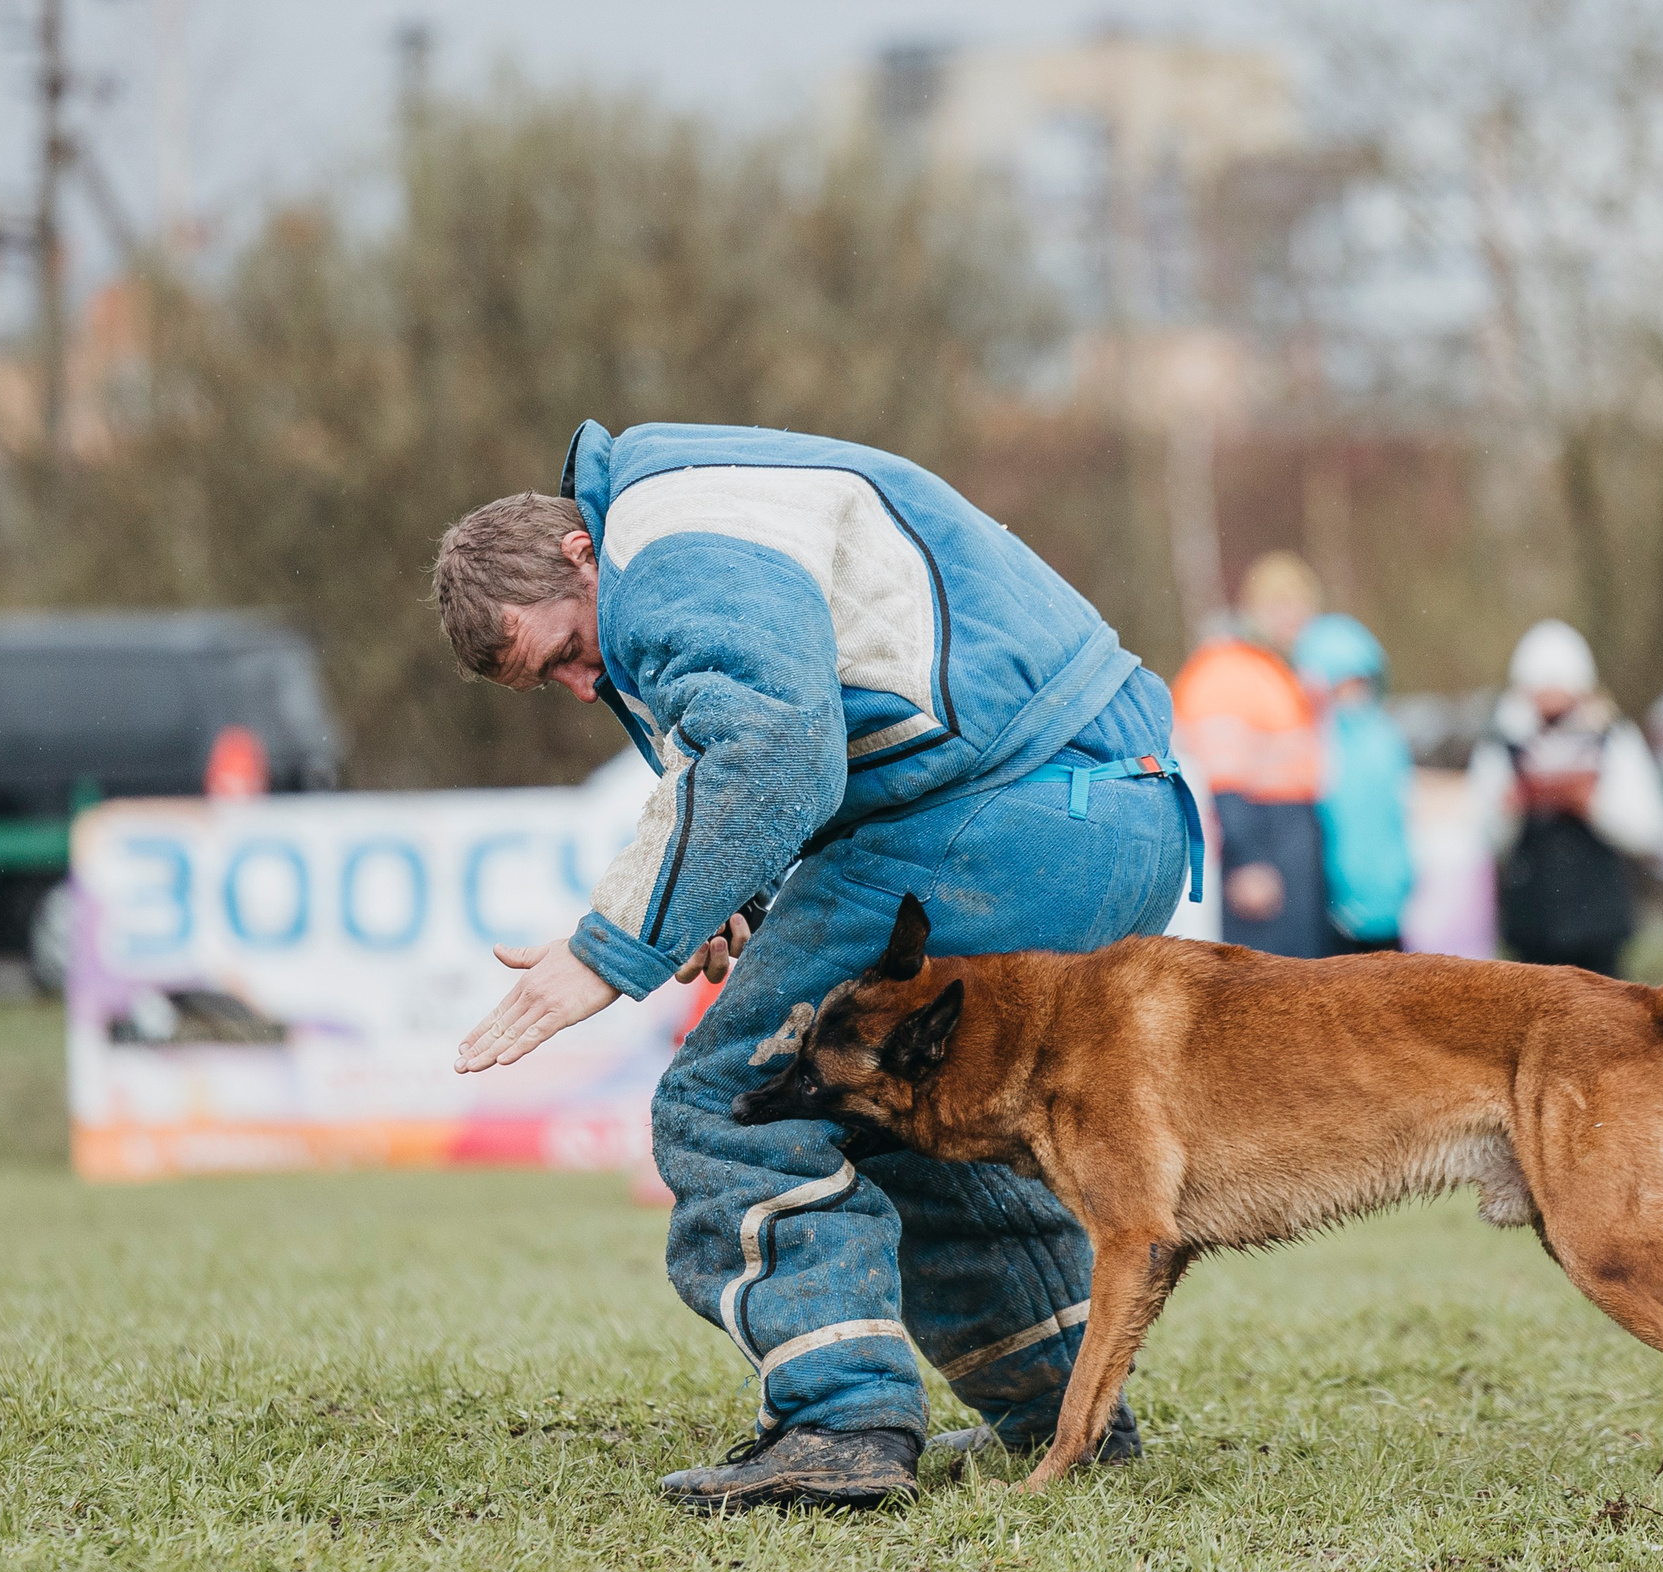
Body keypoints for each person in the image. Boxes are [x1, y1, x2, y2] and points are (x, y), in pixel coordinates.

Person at [431, 420, 1201, 1513]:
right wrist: (730, 893)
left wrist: (605, 952)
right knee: (894, 1107)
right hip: (1116, 807)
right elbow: (819, 712)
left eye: (561, 648)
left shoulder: (663, 535)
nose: (575, 681)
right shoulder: (708, 505)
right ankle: (1062, 1410)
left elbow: (777, 746)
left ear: (576, 554)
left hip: (1006, 816)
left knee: (737, 1105)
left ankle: (836, 1423)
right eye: (546, 680)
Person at [1465, 619, 1663, 978]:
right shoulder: (1501, 743)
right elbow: (1481, 834)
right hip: (1532, 925)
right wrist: (1511, 807)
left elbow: (1648, 826)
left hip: (1600, 924)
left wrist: (1590, 804)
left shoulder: (1613, 737)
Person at [1171, 553, 1331, 957]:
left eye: (1302, 607)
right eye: (1283, 607)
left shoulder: (1273, 669)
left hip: (1289, 837)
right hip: (1262, 840)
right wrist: (1248, 861)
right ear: (1255, 609)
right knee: (1266, 990)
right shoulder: (1228, 670)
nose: (1296, 620)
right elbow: (1219, 778)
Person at [1291, 614, 1415, 953]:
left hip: (1387, 901)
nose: (1354, 694)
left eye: (1361, 682)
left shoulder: (1386, 737)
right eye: (1343, 683)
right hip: (1331, 907)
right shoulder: (1316, 742)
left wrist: (1403, 875)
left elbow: (1397, 813)